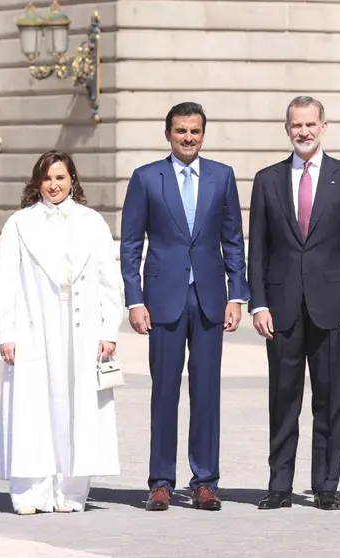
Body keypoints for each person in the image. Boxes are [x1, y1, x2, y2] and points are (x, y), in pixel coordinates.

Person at [120, 102, 249, 512]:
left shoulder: (222, 177)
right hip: (163, 300)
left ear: (203, 134)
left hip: (210, 298)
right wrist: (135, 299)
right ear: (168, 134)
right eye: (181, 131)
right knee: (164, 390)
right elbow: (130, 246)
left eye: (195, 131)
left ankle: (205, 481)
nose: (188, 137)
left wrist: (237, 294)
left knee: (207, 391)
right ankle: (160, 481)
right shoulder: (145, 179)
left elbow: (234, 241)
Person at [247, 96, 340, 511]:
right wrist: (258, 303)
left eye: (310, 125)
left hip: (333, 306)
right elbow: (258, 251)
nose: (303, 132)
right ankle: (279, 485)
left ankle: (325, 486)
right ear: (287, 129)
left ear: (323, 126)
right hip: (281, 308)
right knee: (283, 399)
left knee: (330, 399)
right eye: (296, 125)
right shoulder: (267, 179)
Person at [0, 149, 123, 515]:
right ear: (37, 183)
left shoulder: (93, 223)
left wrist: (109, 329)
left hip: (81, 327)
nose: (54, 185)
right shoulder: (19, 224)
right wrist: (6, 332)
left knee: (77, 407)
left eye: (60, 178)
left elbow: (109, 282)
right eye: (47, 178)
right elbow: (4, 281)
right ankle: (30, 491)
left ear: (73, 181)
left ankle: (71, 491)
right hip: (35, 324)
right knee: (33, 407)